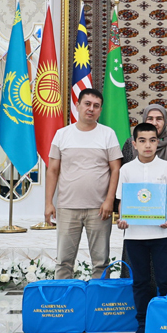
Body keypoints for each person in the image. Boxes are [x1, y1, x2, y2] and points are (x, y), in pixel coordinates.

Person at [44, 88, 121, 280]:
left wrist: (109, 200)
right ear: (77, 106)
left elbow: (116, 169)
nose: (91, 109)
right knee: (64, 261)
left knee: (101, 262)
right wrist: (48, 203)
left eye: (96, 106)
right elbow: (52, 170)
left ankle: (98, 304)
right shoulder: (62, 134)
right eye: (87, 104)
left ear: (100, 110)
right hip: (68, 207)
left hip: (99, 208)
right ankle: (64, 305)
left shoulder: (108, 134)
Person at [116, 122, 167, 333]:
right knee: (141, 281)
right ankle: (143, 325)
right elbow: (122, 201)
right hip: (135, 235)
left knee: (164, 279)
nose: (147, 145)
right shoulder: (126, 169)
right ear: (134, 144)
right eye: (142, 141)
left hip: (162, 235)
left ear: (158, 142)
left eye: (152, 140)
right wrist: (122, 218)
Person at [121, 104, 167, 270]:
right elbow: (125, 183)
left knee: (166, 263)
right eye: (150, 118)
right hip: (137, 214)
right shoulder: (130, 144)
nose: (155, 122)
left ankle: (166, 295)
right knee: (138, 266)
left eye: (159, 119)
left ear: (165, 121)